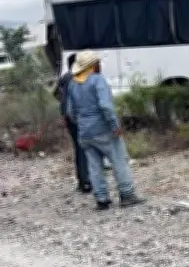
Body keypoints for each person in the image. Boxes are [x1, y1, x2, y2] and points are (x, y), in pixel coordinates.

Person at [66, 51, 145, 210]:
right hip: (103, 129)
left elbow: (70, 112)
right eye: (98, 62)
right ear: (93, 65)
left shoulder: (73, 84)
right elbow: (105, 106)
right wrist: (114, 126)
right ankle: (127, 194)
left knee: (94, 166)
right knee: (118, 160)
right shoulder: (97, 80)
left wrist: (82, 123)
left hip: (85, 133)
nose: (100, 65)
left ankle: (101, 199)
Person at [54, 54, 91, 193]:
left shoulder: (64, 78)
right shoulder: (76, 78)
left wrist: (63, 112)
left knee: (78, 148)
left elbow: (57, 95)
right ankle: (86, 181)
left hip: (68, 118)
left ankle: (82, 180)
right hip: (77, 117)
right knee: (83, 149)